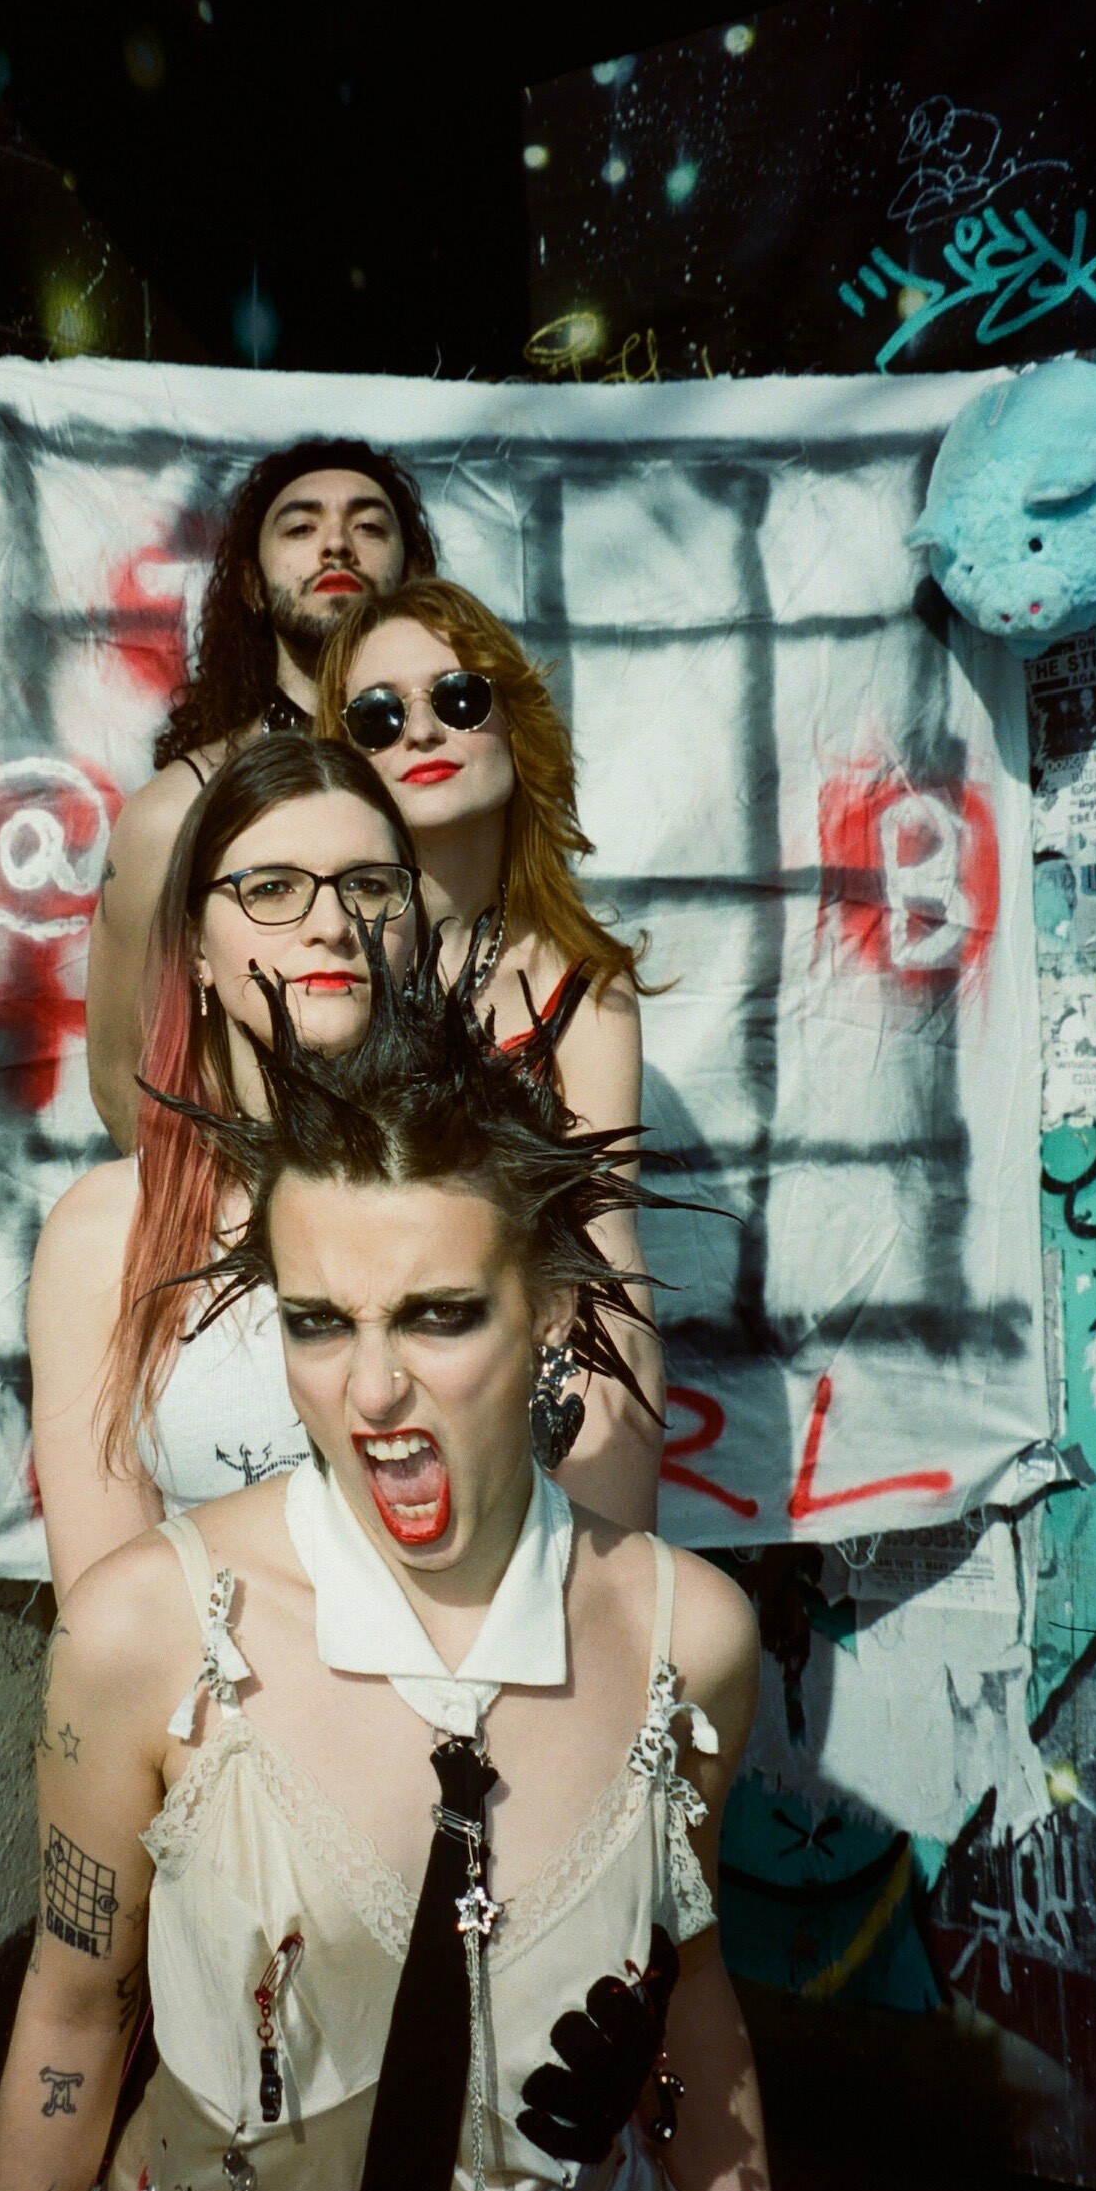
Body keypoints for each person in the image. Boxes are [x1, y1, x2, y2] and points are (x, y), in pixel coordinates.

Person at [0, 951, 770, 2191]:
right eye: (317, 1321)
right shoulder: (146, 1637)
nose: (369, 1393)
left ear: (556, 1307)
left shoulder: (688, 1643)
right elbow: (73, 2017)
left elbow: (697, 2006)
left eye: (439, 1316)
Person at [32, 734, 422, 1606]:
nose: (331, 924)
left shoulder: (484, 1195)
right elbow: (109, 1625)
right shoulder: (108, 1234)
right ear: (197, 951)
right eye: (272, 889)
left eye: (368, 886)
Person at [318, 577, 664, 1528]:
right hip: (326, 1386)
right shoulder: (308, 950)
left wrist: (608, 1553)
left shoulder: (579, 986)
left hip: (512, 1402)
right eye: (378, 717)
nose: (421, 732)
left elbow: (607, 1253)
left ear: (514, 721)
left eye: (458, 699)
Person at [86, 441, 437, 1150]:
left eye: (369, 526)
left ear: (414, 574)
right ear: (249, 585)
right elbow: (124, 1078)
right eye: (300, 527)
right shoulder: (175, 811)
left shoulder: (456, 783)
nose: (336, 543)